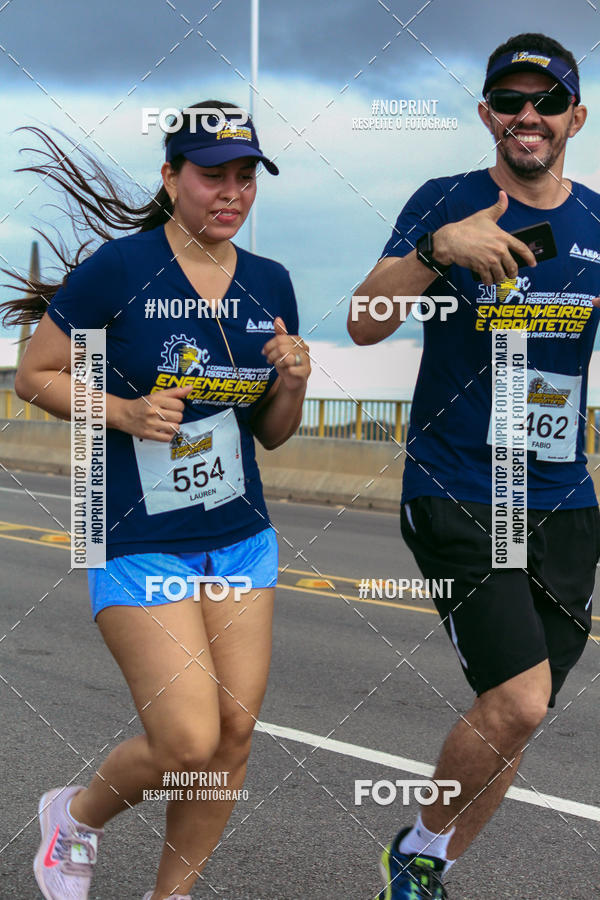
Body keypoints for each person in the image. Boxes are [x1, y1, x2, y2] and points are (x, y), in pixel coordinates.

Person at [4, 101, 311, 900]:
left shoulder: (272, 281)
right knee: (185, 740)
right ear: (171, 176)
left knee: (235, 735)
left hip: (241, 537)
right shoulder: (120, 269)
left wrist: (294, 381)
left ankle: (169, 896)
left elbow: (273, 435)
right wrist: (126, 412)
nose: (231, 192)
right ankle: (72, 815)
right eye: (213, 175)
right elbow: (34, 376)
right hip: (140, 536)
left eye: (246, 177)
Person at [348, 33, 599, 899]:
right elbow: (365, 322)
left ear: (576, 115)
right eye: (511, 101)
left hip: (565, 499)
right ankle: (417, 844)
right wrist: (436, 251)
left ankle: (425, 868)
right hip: (460, 485)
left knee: (516, 718)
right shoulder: (444, 201)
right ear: (487, 112)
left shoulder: (598, 220)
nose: (528, 117)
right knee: (520, 701)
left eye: (547, 101)